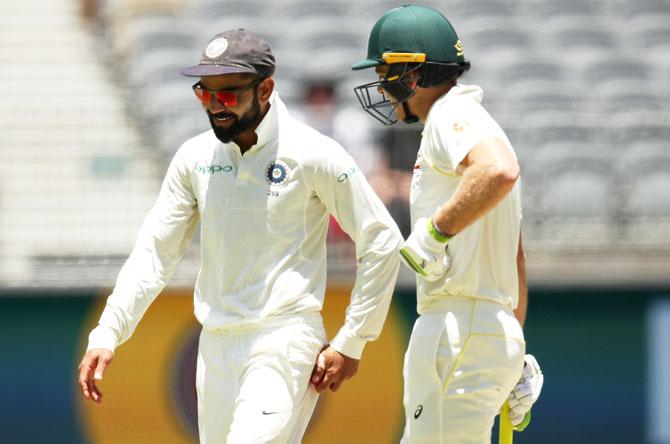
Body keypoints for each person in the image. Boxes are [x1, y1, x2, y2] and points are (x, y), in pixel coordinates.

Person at [77, 29, 403, 443]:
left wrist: (353, 339)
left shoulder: (312, 152)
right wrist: (108, 332)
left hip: (284, 338)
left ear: (265, 88)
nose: (215, 106)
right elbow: (154, 255)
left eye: (228, 95)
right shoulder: (195, 158)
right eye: (205, 94)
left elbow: (382, 240)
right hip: (214, 347)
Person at [351, 5, 543, 443]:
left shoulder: (449, 117)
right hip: (483, 330)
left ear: (412, 75)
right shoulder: (474, 124)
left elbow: (499, 170)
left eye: (384, 73)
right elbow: (513, 254)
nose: (380, 87)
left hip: (459, 331)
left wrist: (434, 232)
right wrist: (512, 345)